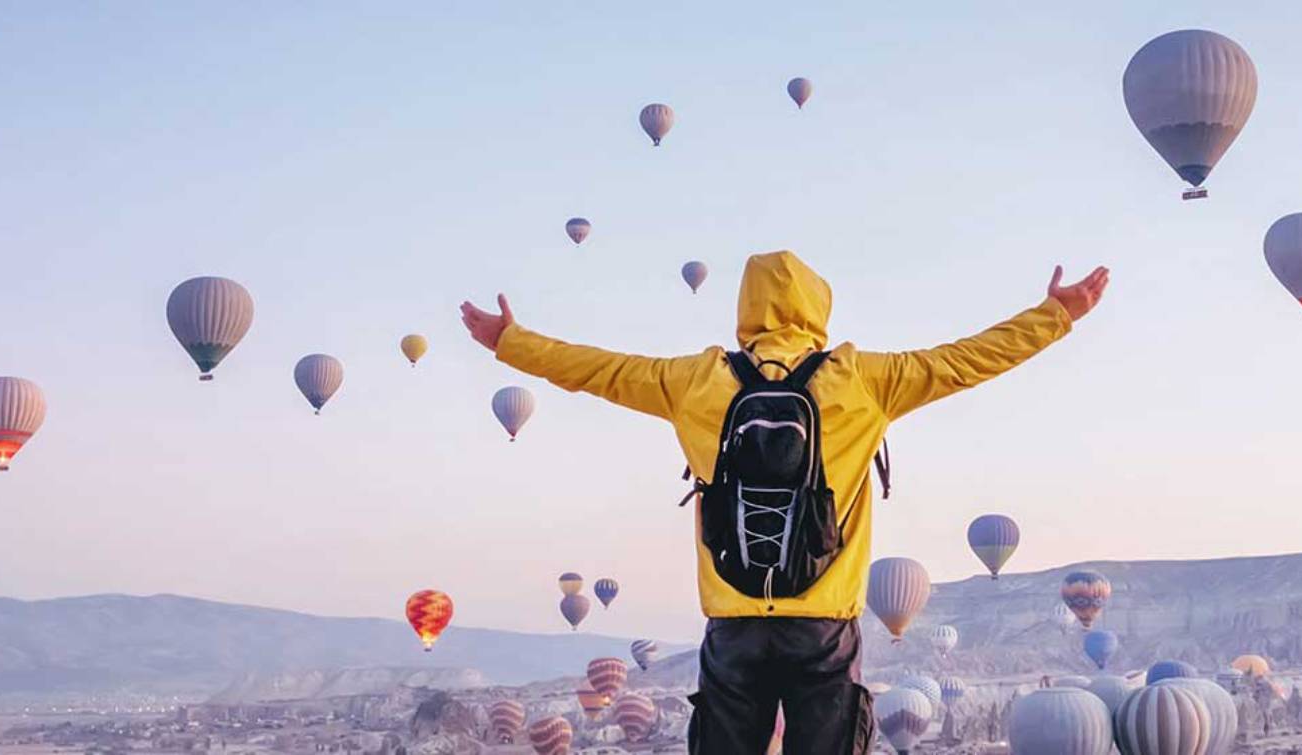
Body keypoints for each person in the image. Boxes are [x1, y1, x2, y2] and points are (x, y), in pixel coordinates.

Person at [461, 250, 1109, 754]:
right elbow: (966, 360)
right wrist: (1055, 315)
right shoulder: (863, 380)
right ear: (818, 306)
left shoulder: (693, 380)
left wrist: (510, 341)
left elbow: (597, 368)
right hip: (823, 625)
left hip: (734, 622)